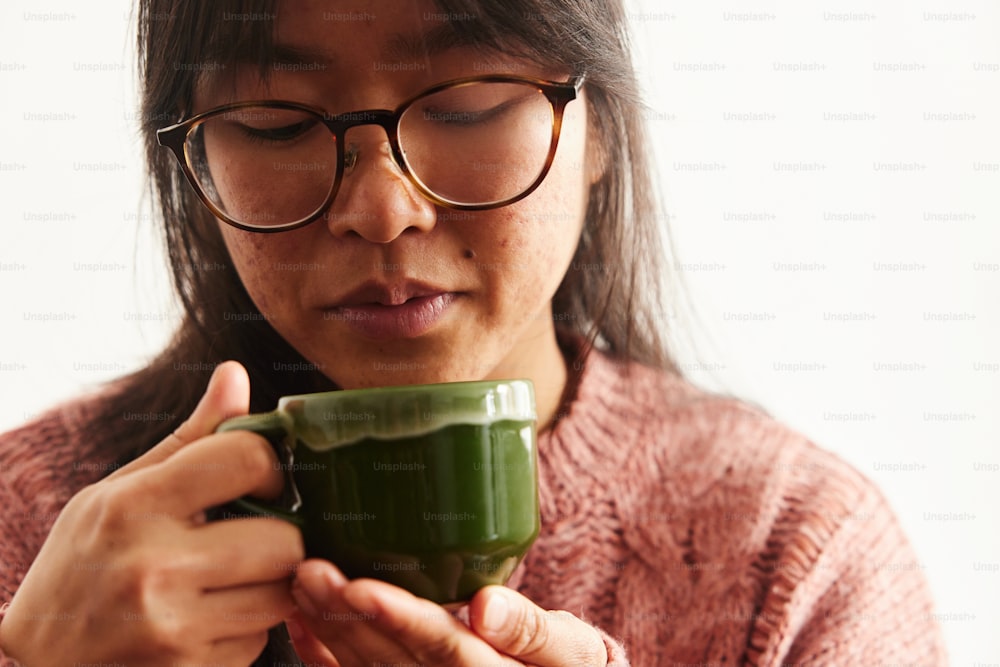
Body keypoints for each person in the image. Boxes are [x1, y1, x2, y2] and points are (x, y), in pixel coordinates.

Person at [0, 1, 948, 665]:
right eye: (275, 123)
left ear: (601, 126)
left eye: (467, 103)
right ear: (192, 154)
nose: (381, 209)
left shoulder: (795, 553)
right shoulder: (32, 525)